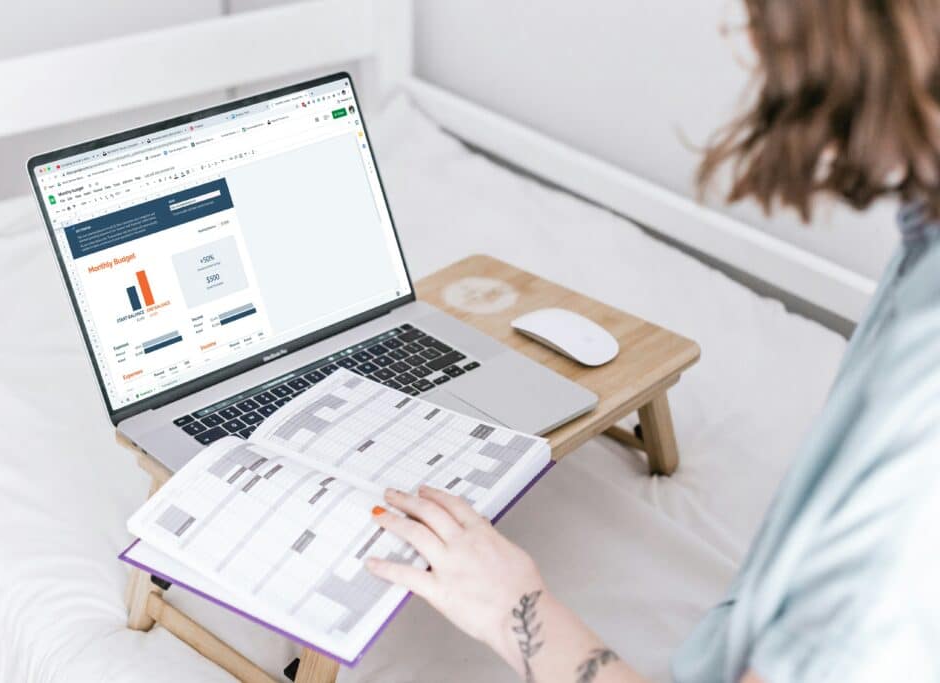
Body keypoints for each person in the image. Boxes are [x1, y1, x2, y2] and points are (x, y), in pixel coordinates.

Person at [365, 1, 940, 681]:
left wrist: (509, 604)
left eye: (767, 22)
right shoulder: (922, 241)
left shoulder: (915, 448)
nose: (751, 45)